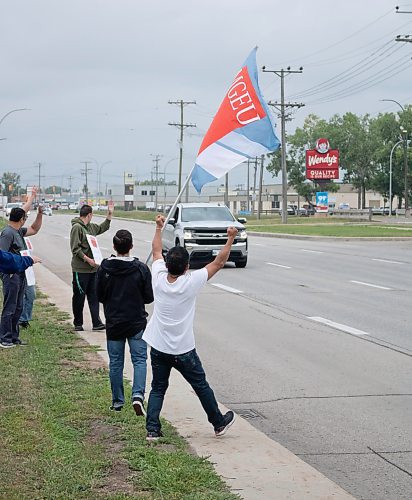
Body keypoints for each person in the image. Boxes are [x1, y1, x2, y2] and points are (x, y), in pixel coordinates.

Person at [143, 215, 238, 441]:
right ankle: (217, 422)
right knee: (201, 386)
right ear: (187, 267)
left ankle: (152, 430)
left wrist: (158, 227)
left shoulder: (157, 276)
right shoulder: (191, 281)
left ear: (167, 265)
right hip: (183, 349)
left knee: (158, 388)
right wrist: (230, 239)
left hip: (158, 346)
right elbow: (218, 263)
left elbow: (156, 250)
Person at [97, 229, 153, 414]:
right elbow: (148, 297)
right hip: (136, 321)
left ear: (114, 246)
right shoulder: (141, 268)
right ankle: (137, 395)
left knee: (116, 362)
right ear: (131, 247)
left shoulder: (104, 268)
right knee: (139, 360)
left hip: (114, 322)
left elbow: (99, 295)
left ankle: (117, 401)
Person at [0, 193, 43, 348]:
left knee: (18, 306)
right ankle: (4, 338)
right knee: (10, 306)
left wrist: (39, 214)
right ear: (21, 219)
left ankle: (13, 336)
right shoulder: (7, 233)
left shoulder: (18, 231)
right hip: (11, 274)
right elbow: (2, 254)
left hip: (21, 272)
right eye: (25, 217)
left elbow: (34, 229)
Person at [70, 202, 113, 331]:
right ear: (89, 215)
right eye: (92, 215)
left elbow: (103, 228)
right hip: (81, 269)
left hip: (93, 269)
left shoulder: (91, 227)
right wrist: (88, 260)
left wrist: (109, 215)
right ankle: (78, 323)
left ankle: (96, 322)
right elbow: (75, 249)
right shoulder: (77, 227)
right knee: (79, 296)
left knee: (94, 296)